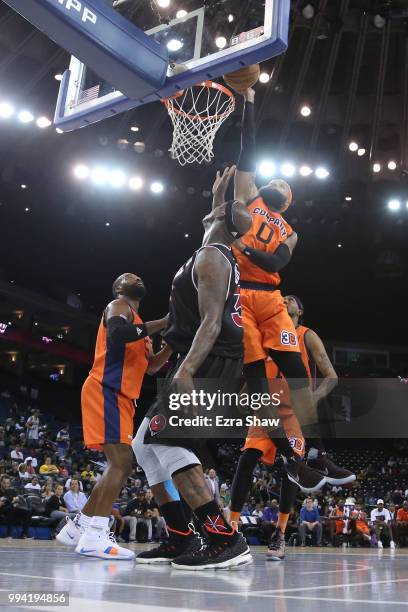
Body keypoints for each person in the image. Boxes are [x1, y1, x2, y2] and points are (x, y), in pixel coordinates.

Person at [132, 166, 253, 569]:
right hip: (204, 358)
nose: (209, 211)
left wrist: (185, 370)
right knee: (143, 445)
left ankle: (225, 539)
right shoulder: (215, 247)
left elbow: (211, 323)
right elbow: (220, 218)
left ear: (219, 221)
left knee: (167, 441)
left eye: (216, 210)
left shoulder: (211, 258)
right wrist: (219, 197)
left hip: (209, 362)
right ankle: (182, 538)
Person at [231, 86, 349, 490]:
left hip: (267, 296)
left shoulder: (289, 230)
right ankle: (292, 460)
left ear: (284, 200)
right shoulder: (247, 195)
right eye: (276, 176)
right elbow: (247, 149)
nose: (277, 178)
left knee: (299, 374)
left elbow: (278, 262)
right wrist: (247, 102)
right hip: (242, 295)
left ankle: (314, 453)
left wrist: (247, 247)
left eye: (282, 181)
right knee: (259, 387)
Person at [229, 293, 354, 560]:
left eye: (292, 299)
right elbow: (254, 372)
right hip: (267, 408)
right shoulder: (265, 334)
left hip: (294, 414)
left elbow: (330, 375)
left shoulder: (306, 335)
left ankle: (280, 534)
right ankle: (232, 527)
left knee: (291, 469)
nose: (285, 301)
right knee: (247, 458)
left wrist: (313, 397)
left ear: (301, 309)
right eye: (282, 298)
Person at [57, 272, 171, 560]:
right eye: (127, 276)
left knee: (117, 465)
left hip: (122, 398)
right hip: (106, 388)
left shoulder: (142, 333)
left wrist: (173, 341)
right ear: (120, 287)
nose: (135, 276)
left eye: (138, 275)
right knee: (121, 462)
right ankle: (95, 535)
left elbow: (153, 368)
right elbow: (118, 334)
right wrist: (165, 322)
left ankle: (78, 527)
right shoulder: (119, 306)